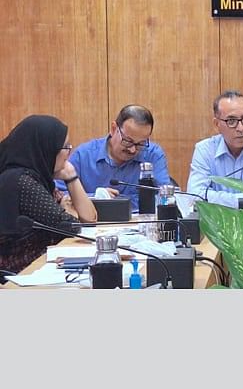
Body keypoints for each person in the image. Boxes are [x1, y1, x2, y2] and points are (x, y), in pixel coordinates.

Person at [0, 115, 97, 275]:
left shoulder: (39, 177)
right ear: (45, 148)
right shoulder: (22, 181)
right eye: (65, 147)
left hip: (40, 264)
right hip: (20, 272)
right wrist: (67, 211)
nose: (69, 153)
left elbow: (90, 219)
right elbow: (73, 228)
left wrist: (71, 176)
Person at [58, 104, 170, 212]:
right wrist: (96, 197)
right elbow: (60, 194)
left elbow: (165, 196)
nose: (133, 150)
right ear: (113, 129)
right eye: (127, 141)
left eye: (140, 144)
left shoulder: (153, 155)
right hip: (94, 224)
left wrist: (119, 203)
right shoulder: (84, 155)